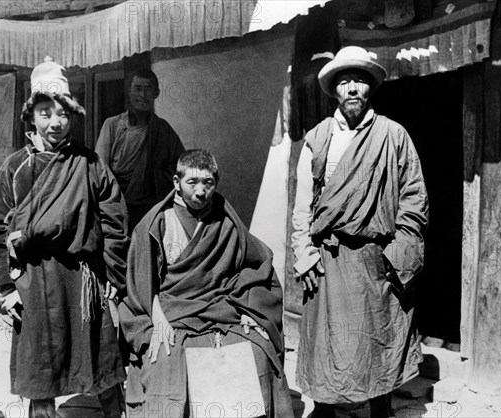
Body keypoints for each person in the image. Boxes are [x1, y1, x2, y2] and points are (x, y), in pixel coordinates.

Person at [0, 57, 129, 418]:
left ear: (71, 115)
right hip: (35, 281)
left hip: (83, 280)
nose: (55, 122)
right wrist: (5, 289)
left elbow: (115, 221)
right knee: (41, 374)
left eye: (61, 113)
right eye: (45, 113)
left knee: (103, 366)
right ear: (32, 117)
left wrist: (113, 272)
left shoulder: (90, 164)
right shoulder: (14, 168)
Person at [291, 46, 429, 418]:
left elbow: (414, 197)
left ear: (370, 89)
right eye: (345, 81)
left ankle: (381, 405)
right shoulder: (317, 139)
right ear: (335, 90)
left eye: (360, 81)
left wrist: (399, 251)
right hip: (328, 258)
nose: (352, 88)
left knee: (376, 340)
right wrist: (303, 254)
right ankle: (324, 406)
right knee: (328, 341)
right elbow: (303, 205)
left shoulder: (393, 135)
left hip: (374, 259)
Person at [119, 149, 294, 417]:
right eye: (192, 183)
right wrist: (159, 320)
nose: (200, 191)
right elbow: (142, 282)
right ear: (177, 183)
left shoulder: (226, 221)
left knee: (258, 351)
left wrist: (249, 309)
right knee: (166, 363)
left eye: (208, 183)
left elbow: (256, 264)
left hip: (223, 306)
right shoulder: (157, 223)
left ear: (216, 182)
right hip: (170, 309)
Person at [95, 69, 185, 231]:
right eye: (137, 88)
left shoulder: (162, 129)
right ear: (129, 91)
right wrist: (114, 199)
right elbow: (99, 168)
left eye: (148, 89)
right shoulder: (112, 125)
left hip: (149, 206)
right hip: (115, 203)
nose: (142, 95)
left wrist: (155, 176)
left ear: (156, 93)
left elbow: (182, 166)